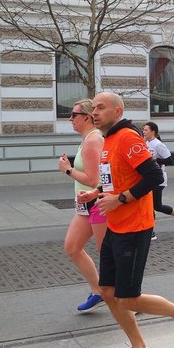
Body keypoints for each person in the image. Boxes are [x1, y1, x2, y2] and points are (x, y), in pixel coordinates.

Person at [76, 92, 174, 348]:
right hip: (115, 227)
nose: (94, 112)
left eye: (101, 107)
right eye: (93, 107)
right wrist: (96, 194)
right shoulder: (107, 139)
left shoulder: (128, 137)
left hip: (134, 227)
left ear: (117, 111)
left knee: (129, 298)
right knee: (108, 292)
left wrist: (120, 199)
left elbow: (154, 176)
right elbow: (115, 179)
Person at [58, 99, 108, 313]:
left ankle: (128, 297)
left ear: (86, 117)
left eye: (74, 115)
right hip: (84, 205)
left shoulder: (92, 141)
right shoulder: (86, 139)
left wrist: (67, 170)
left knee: (107, 253)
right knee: (72, 247)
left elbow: (94, 179)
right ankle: (98, 291)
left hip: (97, 202)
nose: (70, 119)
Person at [142, 121, 174, 231]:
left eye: (146, 130)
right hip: (150, 178)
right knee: (156, 206)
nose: (143, 132)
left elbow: (170, 160)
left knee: (150, 205)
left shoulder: (158, 144)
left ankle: (150, 232)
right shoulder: (146, 143)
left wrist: (155, 159)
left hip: (159, 179)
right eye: (143, 130)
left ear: (153, 132)